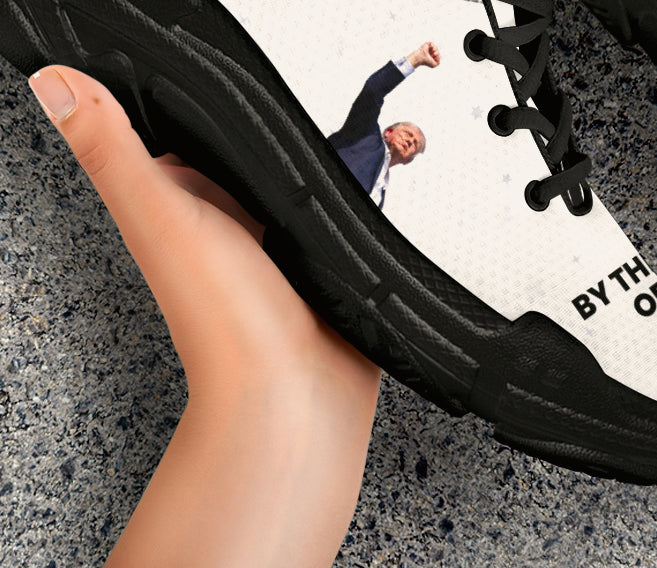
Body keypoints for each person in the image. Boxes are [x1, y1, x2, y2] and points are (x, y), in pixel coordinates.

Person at [28, 64, 380, 568]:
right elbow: (371, 94)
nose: (408, 142)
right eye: (408, 135)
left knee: (289, 400)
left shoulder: (385, 179)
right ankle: (296, 401)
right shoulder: (368, 137)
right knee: (292, 401)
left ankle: (292, 400)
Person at [328, 41, 440, 208]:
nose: (410, 141)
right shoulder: (365, 135)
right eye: (407, 133)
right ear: (388, 132)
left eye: (414, 145)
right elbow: (373, 91)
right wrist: (416, 59)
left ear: (408, 161)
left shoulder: (381, 195)